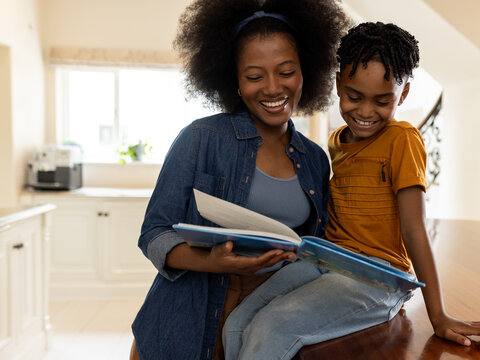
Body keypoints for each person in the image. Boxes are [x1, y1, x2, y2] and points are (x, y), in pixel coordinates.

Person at [223, 22, 480, 360]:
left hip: (377, 277)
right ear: (339, 84)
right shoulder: (336, 142)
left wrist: (438, 316)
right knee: (236, 323)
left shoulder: (403, 140)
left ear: (404, 94)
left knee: (273, 327)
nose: (366, 112)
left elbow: (415, 229)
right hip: (326, 259)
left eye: (382, 101)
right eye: (354, 97)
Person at [129, 0, 351, 359]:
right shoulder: (200, 139)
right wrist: (212, 262)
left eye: (286, 71)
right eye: (254, 76)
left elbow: (316, 251)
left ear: (305, 71)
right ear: (234, 80)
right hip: (187, 320)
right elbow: (153, 234)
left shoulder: (314, 160)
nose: (272, 87)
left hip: (269, 321)